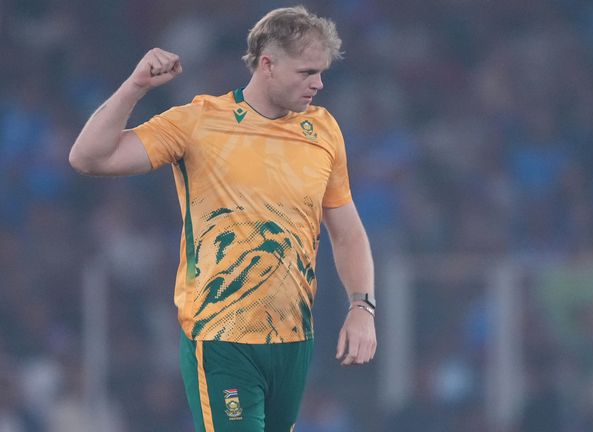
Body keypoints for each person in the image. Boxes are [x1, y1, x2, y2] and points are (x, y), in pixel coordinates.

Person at [68, 6, 377, 431]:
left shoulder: (322, 130)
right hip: (221, 335)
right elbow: (88, 157)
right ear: (267, 64)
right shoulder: (199, 122)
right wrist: (135, 87)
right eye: (307, 72)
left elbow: (347, 232)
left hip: (293, 339)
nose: (318, 84)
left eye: (321, 72)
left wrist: (362, 306)